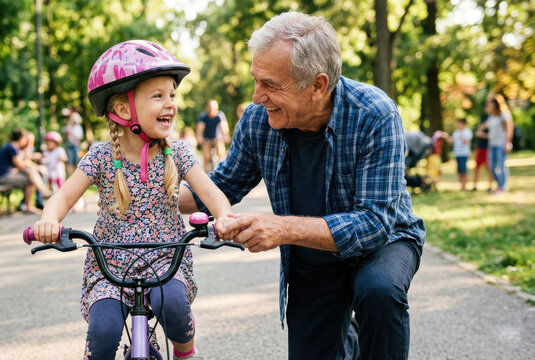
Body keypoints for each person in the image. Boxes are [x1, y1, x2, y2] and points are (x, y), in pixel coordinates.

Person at [179, 12, 425, 360]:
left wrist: (283, 228)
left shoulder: (375, 114)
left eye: (270, 84)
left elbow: (375, 224)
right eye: (256, 80)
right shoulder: (257, 121)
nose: (256, 97)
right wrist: (149, 194)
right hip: (314, 252)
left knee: (378, 291)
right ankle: (346, 341)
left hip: (385, 242)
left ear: (318, 85)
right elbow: (222, 185)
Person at [33, 40, 238, 360]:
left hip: (165, 262)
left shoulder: (178, 153)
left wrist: (223, 216)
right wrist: (49, 221)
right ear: (123, 109)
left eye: (172, 94)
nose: (170, 103)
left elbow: (210, 193)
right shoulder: (100, 156)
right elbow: (63, 196)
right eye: (158, 96)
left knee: (174, 308)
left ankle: (185, 352)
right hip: (110, 265)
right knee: (102, 332)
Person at [0, 129, 52, 215]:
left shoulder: (11, 146)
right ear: (21, 138)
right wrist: (32, 165)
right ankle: (34, 201)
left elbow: (21, 164)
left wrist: (32, 165)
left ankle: (37, 198)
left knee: (31, 175)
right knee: (30, 179)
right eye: (25, 138)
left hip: (7, 174)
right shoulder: (12, 147)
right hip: (2, 177)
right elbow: (20, 165)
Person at [477, 96, 513, 194]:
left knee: (500, 166)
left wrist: (508, 142)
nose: (488, 106)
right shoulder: (491, 117)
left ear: (496, 105)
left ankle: (502, 187)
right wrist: (483, 134)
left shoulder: (504, 115)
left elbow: (509, 130)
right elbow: (481, 128)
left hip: (501, 144)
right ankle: (498, 185)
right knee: (491, 166)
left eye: (490, 104)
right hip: (491, 144)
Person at [195, 99, 229, 172]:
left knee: (221, 153)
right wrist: (199, 138)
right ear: (207, 108)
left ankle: (222, 171)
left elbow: (224, 128)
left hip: (217, 138)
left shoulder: (220, 115)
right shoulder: (203, 117)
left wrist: (226, 136)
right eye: (210, 108)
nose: (212, 111)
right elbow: (200, 130)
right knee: (207, 157)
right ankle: (206, 173)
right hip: (206, 139)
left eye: (214, 109)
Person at [445, 118, 473, 191]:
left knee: (464, 170)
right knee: (459, 170)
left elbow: (465, 142)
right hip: (457, 154)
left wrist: (461, 134)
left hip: (464, 153)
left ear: (464, 124)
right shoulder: (455, 132)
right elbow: (452, 142)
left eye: (459, 124)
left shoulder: (467, 131)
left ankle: (465, 186)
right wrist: (446, 137)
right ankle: (461, 186)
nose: (458, 125)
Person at [473, 113, 493, 191]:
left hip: (488, 147)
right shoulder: (481, 124)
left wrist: (482, 134)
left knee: (488, 167)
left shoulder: (491, 124)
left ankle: (490, 185)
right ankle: (475, 185)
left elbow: (492, 136)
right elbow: (477, 134)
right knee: (477, 167)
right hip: (480, 147)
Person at [62, 107, 84, 176]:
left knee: (76, 161)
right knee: (70, 161)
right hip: (70, 144)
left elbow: (79, 137)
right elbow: (66, 132)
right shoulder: (69, 126)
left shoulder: (77, 126)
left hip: (75, 145)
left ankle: (76, 176)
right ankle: (71, 175)